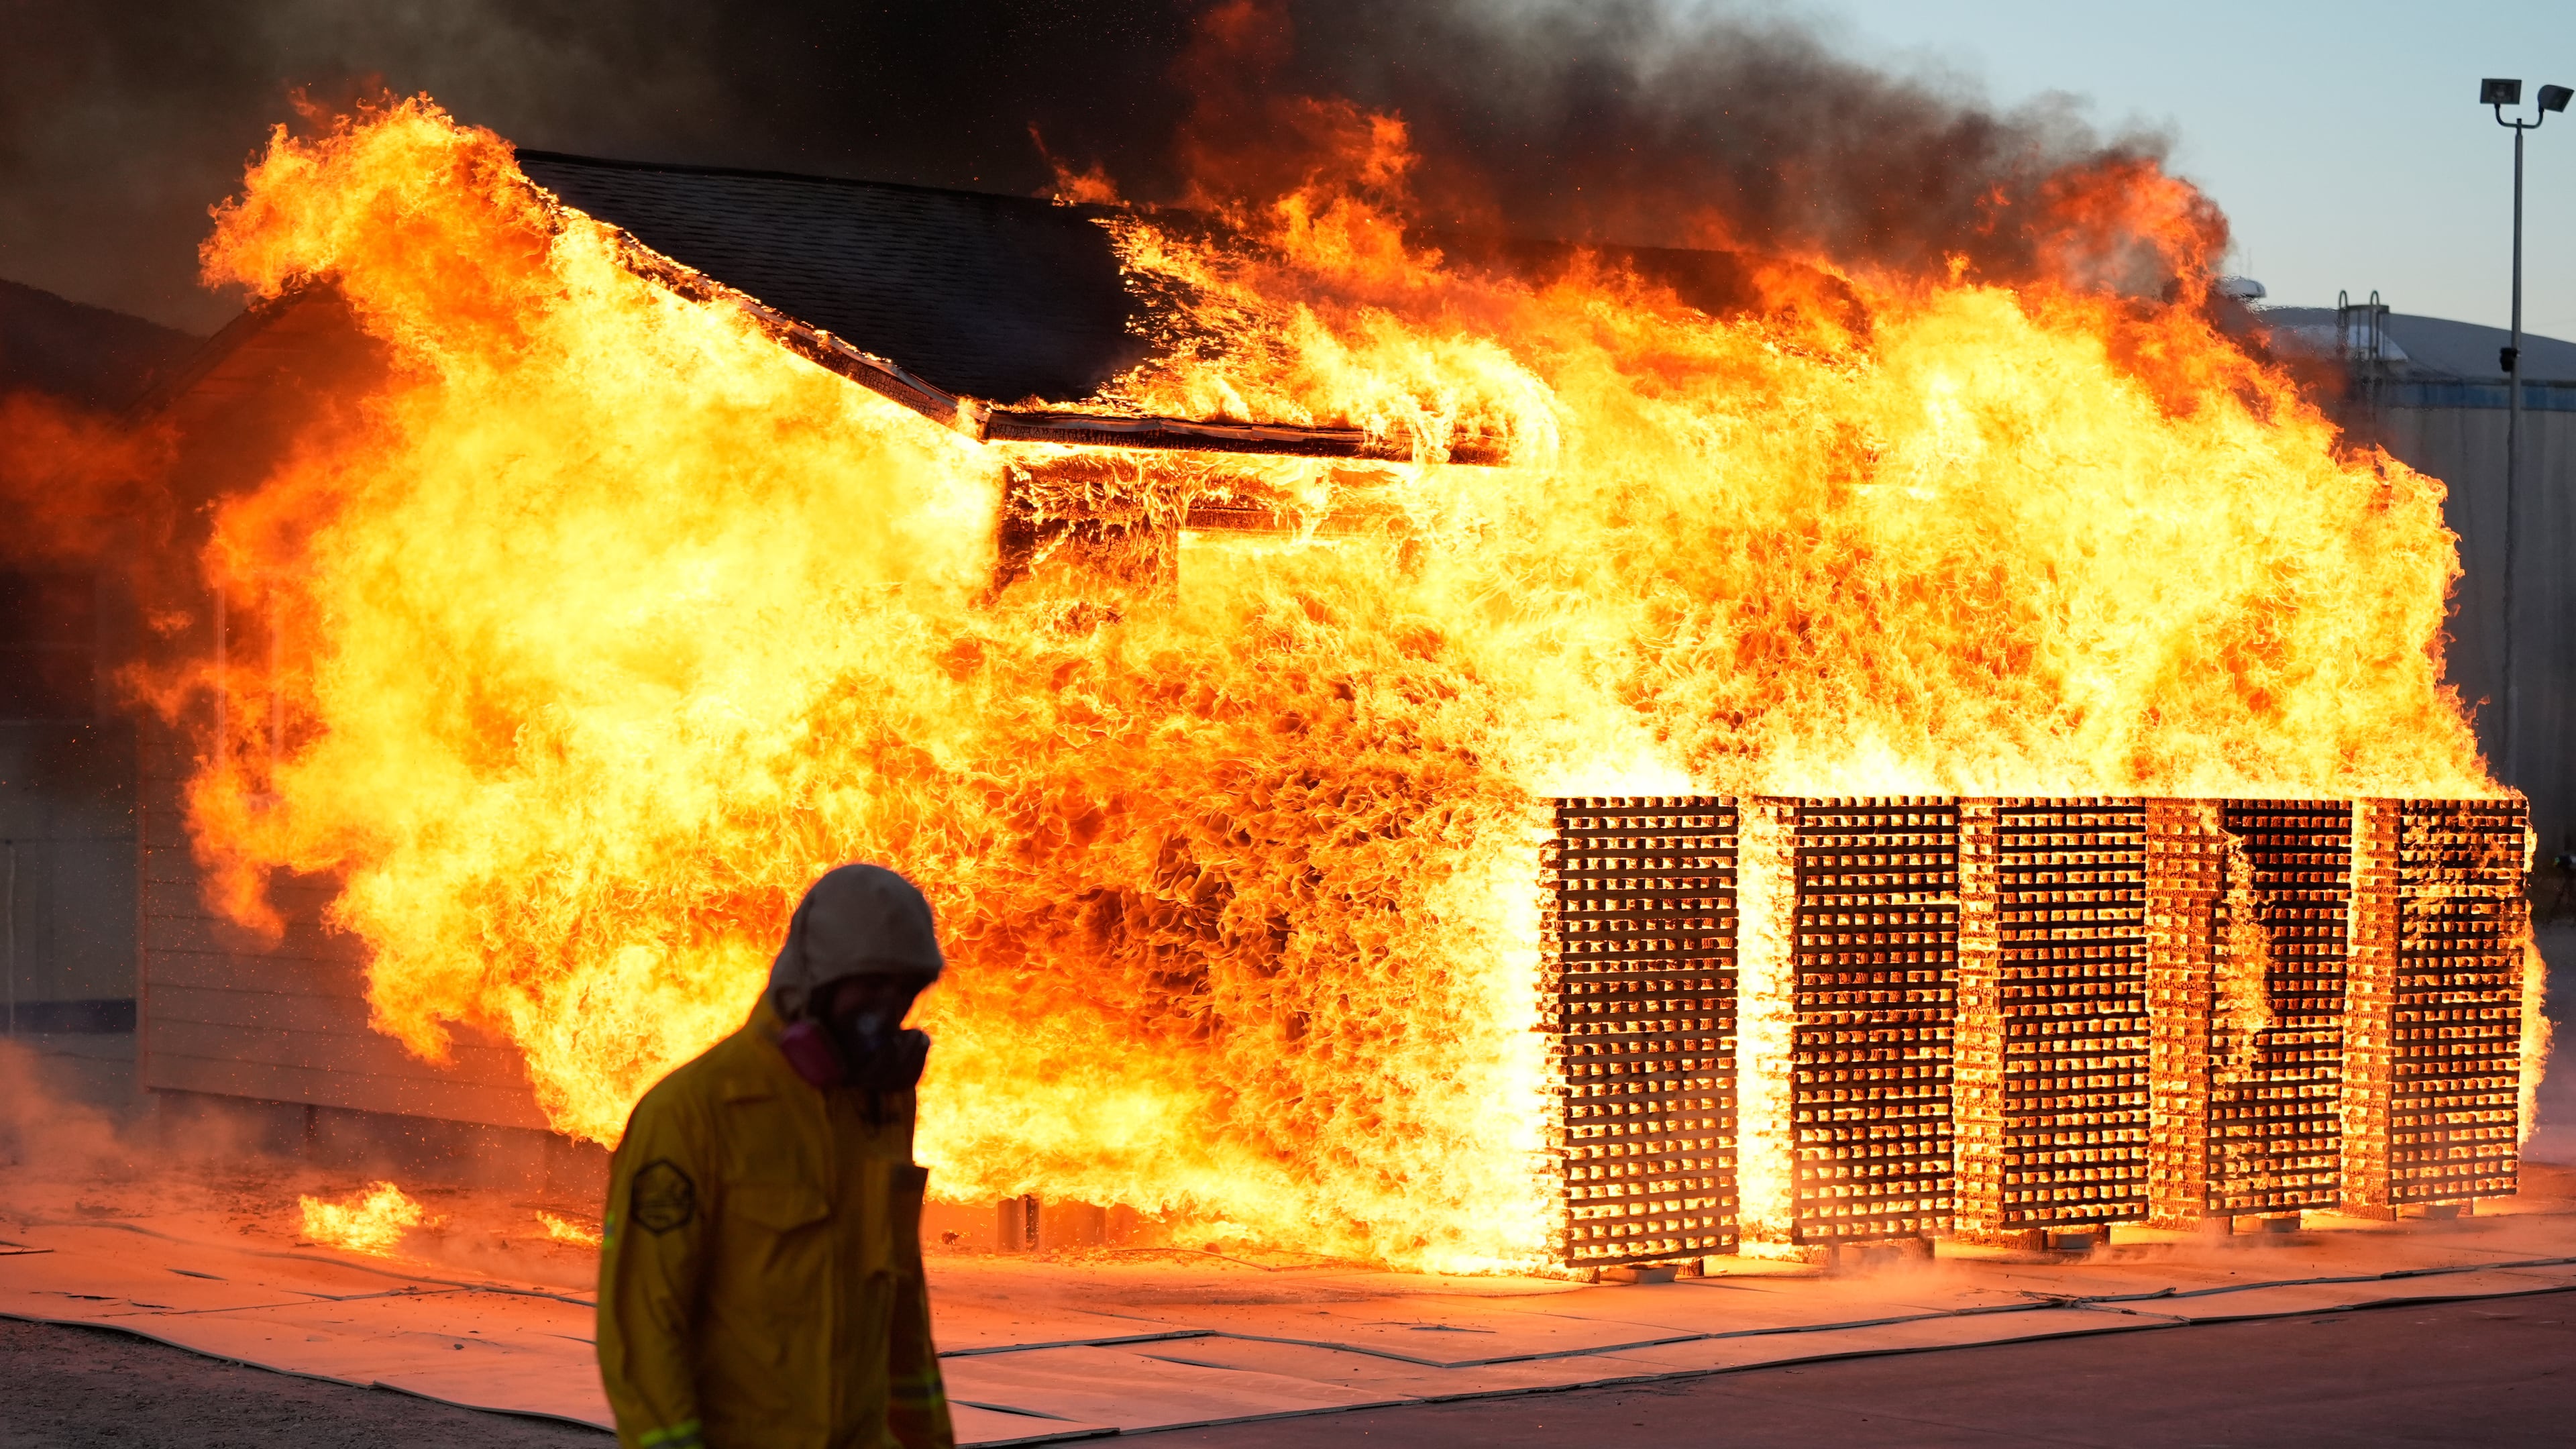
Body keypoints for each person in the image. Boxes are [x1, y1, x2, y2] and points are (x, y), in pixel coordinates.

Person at [598, 863, 955, 1449]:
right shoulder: (693, 1112)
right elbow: (642, 1322)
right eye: (870, 985)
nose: (889, 1009)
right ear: (815, 982)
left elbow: (901, 1305)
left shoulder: (880, 1105)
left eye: (905, 988)